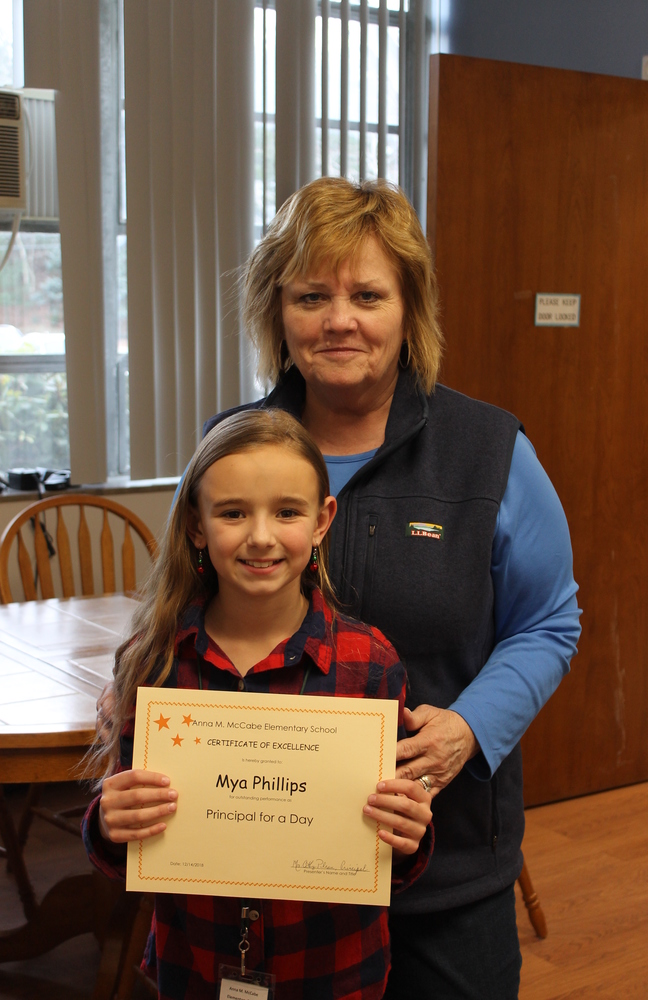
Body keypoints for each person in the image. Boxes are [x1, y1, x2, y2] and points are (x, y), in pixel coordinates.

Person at [96, 176, 581, 998]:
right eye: (310, 295)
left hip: (441, 858)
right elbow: (180, 604)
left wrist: (467, 729)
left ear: (408, 309)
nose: (339, 320)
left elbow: (548, 623)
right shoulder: (232, 443)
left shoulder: (488, 449)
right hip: (260, 889)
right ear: (277, 312)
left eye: (367, 294)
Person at [83, 408, 433, 1000]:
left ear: (323, 522)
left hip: (332, 969)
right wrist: (110, 825)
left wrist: (410, 831)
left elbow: (393, 854)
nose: (262, 536)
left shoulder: (369, 662)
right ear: (197, 525)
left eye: (287, 511)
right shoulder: (154, 662)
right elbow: (124, 840)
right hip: (195, 962)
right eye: (233, 512)